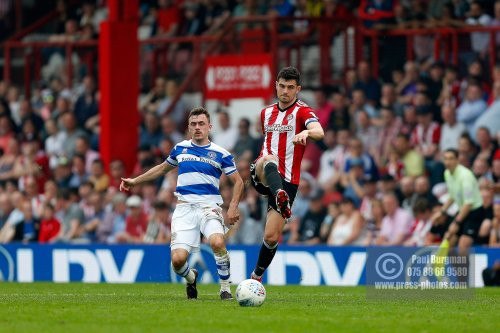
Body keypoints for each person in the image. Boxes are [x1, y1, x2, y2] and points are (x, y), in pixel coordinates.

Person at [120, 107, 244, 300]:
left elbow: (238, 181)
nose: (197, 127)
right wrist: (135, 180)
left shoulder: (221, 153)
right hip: (184, 209)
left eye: (201, 123)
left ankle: (225, 288)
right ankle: (191, 276)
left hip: (209, 207)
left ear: (209, 126)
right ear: (188, 127)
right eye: (193, 124)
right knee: (177, 261)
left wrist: (234, 206)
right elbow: (162, 169)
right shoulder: (180, 148)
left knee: (217, 242)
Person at [249, 66, 324, 282]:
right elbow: (266, 142)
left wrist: (307, 132)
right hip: (263, 171)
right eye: (282, 86)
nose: (285, 91)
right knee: (269, 159)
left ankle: (256, 278)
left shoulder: (303, 112)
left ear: (298, 89)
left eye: (290, 88)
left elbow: (319, 132)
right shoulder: (266, 113)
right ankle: (279, 193)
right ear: (276, 86)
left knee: (271, 237)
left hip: (288, 180)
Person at [431, 148, 485, 254]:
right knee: (448, 242)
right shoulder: (447, 173)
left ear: (457, 160)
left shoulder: (465, 176)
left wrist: (456, 222)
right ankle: (458, 271)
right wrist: (441, 212)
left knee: (462, 246)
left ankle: (466, 271)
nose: (448, 162)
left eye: (451, 159)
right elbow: (452, 196)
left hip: (475, 212)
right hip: (462, 210)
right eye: (445, 159)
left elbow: (468, 204)